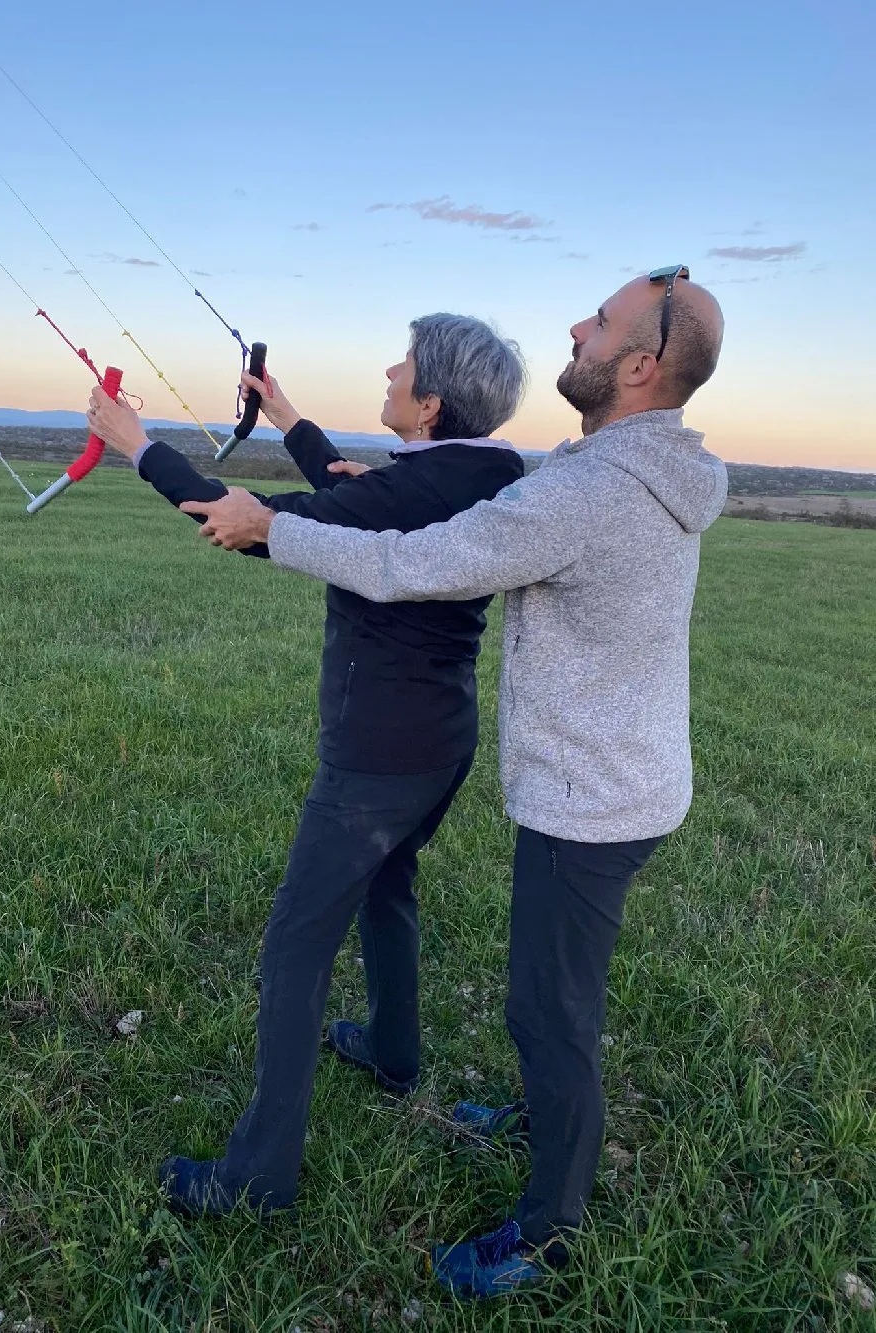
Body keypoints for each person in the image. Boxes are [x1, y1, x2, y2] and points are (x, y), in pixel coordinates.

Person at [186, 270, 729, 1299]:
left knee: (548, 1012)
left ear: (642, 364)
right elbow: (474, 503)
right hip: (621, 772)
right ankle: (536, 1118)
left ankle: (551, 1228)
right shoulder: (637, 467)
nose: (577, 325)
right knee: (553, 998)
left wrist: (272, 528)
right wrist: (342, 462)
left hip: (594, 797)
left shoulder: (589, 488)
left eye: (602, 322)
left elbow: (414, 560)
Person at [86, 314, 528, 1219]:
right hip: (441, 738)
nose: (389, 369)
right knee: (389, 888)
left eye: (403, 366)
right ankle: (393, 1053)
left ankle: (258, 1174)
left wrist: (136, 444)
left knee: (295, 944)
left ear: (430, 403)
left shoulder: (416, 489)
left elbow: (241, 524)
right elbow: (352, 488)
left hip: (376, 756)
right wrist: (284, 414)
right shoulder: (481, 472)